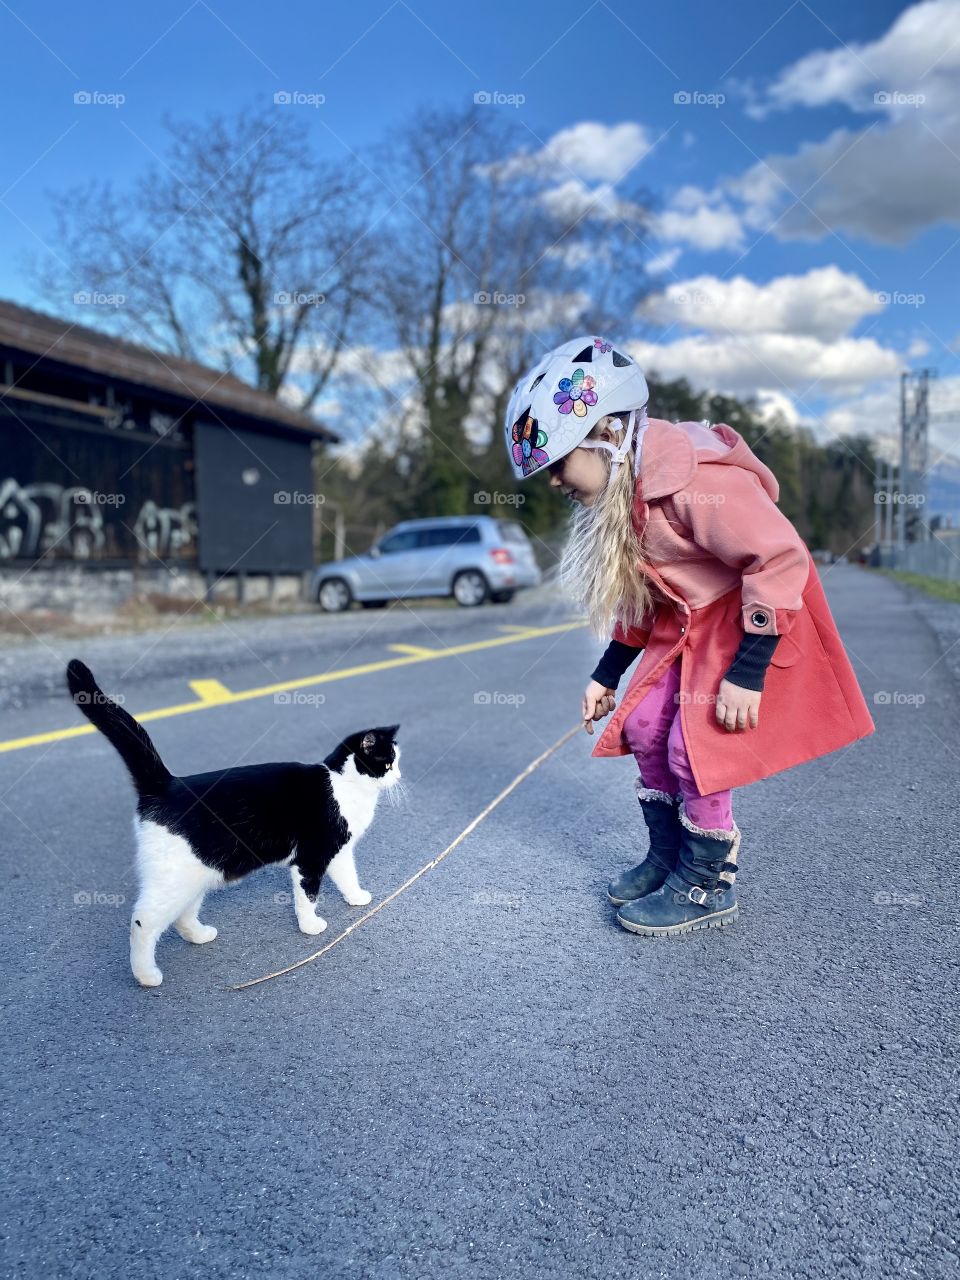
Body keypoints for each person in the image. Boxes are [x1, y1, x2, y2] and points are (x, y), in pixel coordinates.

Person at [504, 335, 875, 937]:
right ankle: (667, 858)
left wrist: (747, 671)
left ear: (606, 434)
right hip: (682, 629)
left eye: (557, 463)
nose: (552, 482)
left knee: (693, 748)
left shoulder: (698, 483)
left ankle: (706, 883)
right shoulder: (624, 500)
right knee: (646, 725)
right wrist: (606, 675)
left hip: (740, 626)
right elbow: (641, 598)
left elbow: (780, 561)